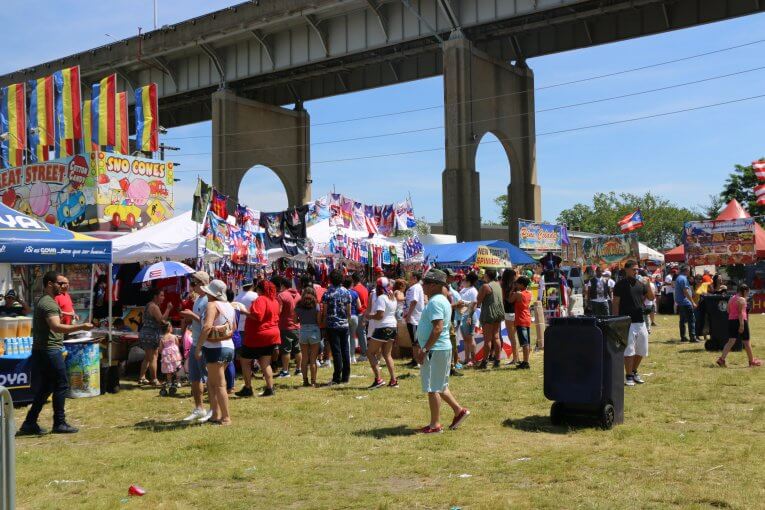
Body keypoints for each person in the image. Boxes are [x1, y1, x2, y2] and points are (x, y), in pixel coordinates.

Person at [17, 271, 93, 435]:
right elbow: (56, 327)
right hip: (49, 350)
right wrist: (81, 326)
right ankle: (59, 423)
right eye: (61, 283)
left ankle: (29, 423)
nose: (64, 286)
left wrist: (69, 316)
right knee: (61, 384)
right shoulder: (49, 303)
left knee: (47, 387)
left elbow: (55, 320)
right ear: (50, 284)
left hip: (43, 349)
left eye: (65, 283)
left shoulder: (46, 301)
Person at [415, 269, 470, 434]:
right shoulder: (441, 299)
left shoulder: (435, 302)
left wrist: (424, 349)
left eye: (425, 283)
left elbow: (437, 328)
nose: (423, 286)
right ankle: (459, 411)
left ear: (433, 285)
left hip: (435, 349)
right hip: (440, 348)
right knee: (440, 385)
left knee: (433, 388)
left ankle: (435, 425)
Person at [195, 280, 236, 425]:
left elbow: (207, 327)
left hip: (215, 349)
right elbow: (234, 327)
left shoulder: (212, 305)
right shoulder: (229, 306)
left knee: (219, 384)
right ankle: (215, 415)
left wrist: (198, 347)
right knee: (212, 383)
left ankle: (225, 417)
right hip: (228, 347)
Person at [613, 260, 655, 387]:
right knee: (629, 350)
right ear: (626, 270)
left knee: (642, 350)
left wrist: (648, 284)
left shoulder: (641, 283)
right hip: (626, 321)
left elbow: (651, 298)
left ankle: (634, 371)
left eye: (637, 269)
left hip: (640, 320)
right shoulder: (620, 285)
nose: (636, 271)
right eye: (633, 269)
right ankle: (629, 376)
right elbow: (615, 303)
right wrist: (616, 321)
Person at [237, 280, 281, 397]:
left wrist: (244, 311)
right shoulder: (274, 301)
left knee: (245, 361)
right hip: (272, 334)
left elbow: (257, 316)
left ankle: (248, 388)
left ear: (260, 289)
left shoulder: (261, 299)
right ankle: (270, 388)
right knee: (265, 363)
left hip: (258, 335)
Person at [179, 272, 212, 422]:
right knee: (194, 377)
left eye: (195, 282)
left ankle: (213, 408)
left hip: (203, 344)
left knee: (209, 378)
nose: (193, 285)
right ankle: (199, 408)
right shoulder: (198, 299)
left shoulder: (207, 300)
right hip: (195, 342)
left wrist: (192, 316)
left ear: (202, 283)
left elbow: (206, 324)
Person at [716, 285, 761, 368]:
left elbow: (728, 310)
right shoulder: (742, 299)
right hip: (741, 321)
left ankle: (721, 359)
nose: (748, 294)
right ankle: (752, 361)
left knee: (731, 341)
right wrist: (742, 325)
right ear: (744, 291)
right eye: (748, 292)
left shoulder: (732, 298)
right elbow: (740, 313)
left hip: (731, 321)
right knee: (747, 342)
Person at [320, 269, 352, 385]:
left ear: (331, 280)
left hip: (332, 325)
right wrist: (347, 320)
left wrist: (323, 321)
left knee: (336, 351)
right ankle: (346, 376)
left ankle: (337, 377)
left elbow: (324, 311)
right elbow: (348, 310)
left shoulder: (327, 293)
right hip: (344, 324)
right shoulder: (347, 292)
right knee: (345, 350)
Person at [366, 277, 399, 388]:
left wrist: (369, 316)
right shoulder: (392, 298)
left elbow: (380, 316)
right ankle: (394, 380)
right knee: (387, 354)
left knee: (370, 353)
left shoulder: (381, 298)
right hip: (393, 326)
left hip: (382, 327)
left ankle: (378, 379)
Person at [138, 288, 172, 385]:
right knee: (153, 357)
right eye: (161, 295)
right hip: (150, 334)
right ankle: (154, 380)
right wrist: (168, 309)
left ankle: (142, 377)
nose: (163, 297)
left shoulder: (150, 305)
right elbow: (161, 320)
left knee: (148, 357)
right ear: (155, 296)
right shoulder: (154, 307)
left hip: (147, 333)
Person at [474, 268, 504, 369]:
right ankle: (497, 360)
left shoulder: (485, 286)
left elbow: (478, 300)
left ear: (487, 275)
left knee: (487, 339)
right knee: (496, 337)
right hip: (498, 313)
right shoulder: (498, 285)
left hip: (489, 313)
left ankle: (484, 362)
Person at [275, 276, 302, 378]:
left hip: (285, 325)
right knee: (298, 349)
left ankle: (285, 371)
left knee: (286, 350)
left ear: (282, 285)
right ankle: (299, 369)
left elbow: (279, 311)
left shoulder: (282, 295)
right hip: (297, 325)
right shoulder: (298, 295)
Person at [296, 286, 321, 386]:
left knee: (305, 358)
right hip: (314, 330)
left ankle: (305, 381)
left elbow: (294, 320)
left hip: (303, 331)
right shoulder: (316, 305)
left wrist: (301, 320)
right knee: (313, 360)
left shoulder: (298, 305)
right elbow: (318, 321)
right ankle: (313, 381)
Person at [508, 276, 532, 369]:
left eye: (517, 283)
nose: (516, 284)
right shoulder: (529, 293)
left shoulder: (518, 294)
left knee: (524, 343)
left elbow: (510, 300)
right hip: (527, 318)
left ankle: (525, 363)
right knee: (527, 342)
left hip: (521, 319)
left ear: (521, 284)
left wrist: (512, 290)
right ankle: (526, 361)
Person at [404, 271, 426, 368]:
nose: (409, 278)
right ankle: (414, 359)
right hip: (413, 317)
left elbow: (414, 301)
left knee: (416, 341)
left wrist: (409, 315)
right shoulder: (415, 287)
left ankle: (417, 360)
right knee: (414, 340)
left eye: (411, 277)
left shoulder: (415, 288)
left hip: (415, 318)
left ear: (415, 278)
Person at [458, 272, 479, 367]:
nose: (463, 281)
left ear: (469, 281)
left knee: (470, 338)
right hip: (462, 316)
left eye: (464, 280)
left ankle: (473, 359)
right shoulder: (464, 289)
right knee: (466, 339)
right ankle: (466, 359)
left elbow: (474, 305)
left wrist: (470, 316)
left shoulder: (473, 291)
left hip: (469, 316)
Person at [500, 268, 519, 366]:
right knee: (514, 337)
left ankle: (515, 358)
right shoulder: (516, 286)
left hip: (508, 313)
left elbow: (503, 300)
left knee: (512, 337)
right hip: (516, 313)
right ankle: (517, 357)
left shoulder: (504, 286)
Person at [674, 265, 697, 343]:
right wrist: (692, 302)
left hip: (680, 302)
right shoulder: (683, 279)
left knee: (682, 320)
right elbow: (685, 291)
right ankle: (692, 337)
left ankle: (683, 337)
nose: (690, 272)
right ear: (687, 270)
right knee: (691, 320)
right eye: (689, 270)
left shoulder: (679, 278)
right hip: (685, 302)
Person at [158, 320, 182, 391]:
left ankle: (169, 382)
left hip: (167, 357)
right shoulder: (174, 336)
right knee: (177, 368)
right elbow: (177, 345)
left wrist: (163, 353)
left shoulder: (162, 338)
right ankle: (178, 382)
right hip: (175, 356)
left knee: (168, 370)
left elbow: (160, 349)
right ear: (169, 327)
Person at [351, 273, 369, 362]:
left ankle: (364, 353)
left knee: (358, 334)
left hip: (359, 313)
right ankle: (364, 353)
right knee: (363, 333)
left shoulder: (354, 289)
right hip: (365, 312)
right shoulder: (365, 288)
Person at [345, 277, 362, 364]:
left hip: (346, 316)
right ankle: (353, 357)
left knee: (347, 337)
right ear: (351, 284)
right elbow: (359, 306)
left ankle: (347, 356)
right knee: (352, 337)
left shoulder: (343, 293)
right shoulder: (355, 293)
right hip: (355, 316)